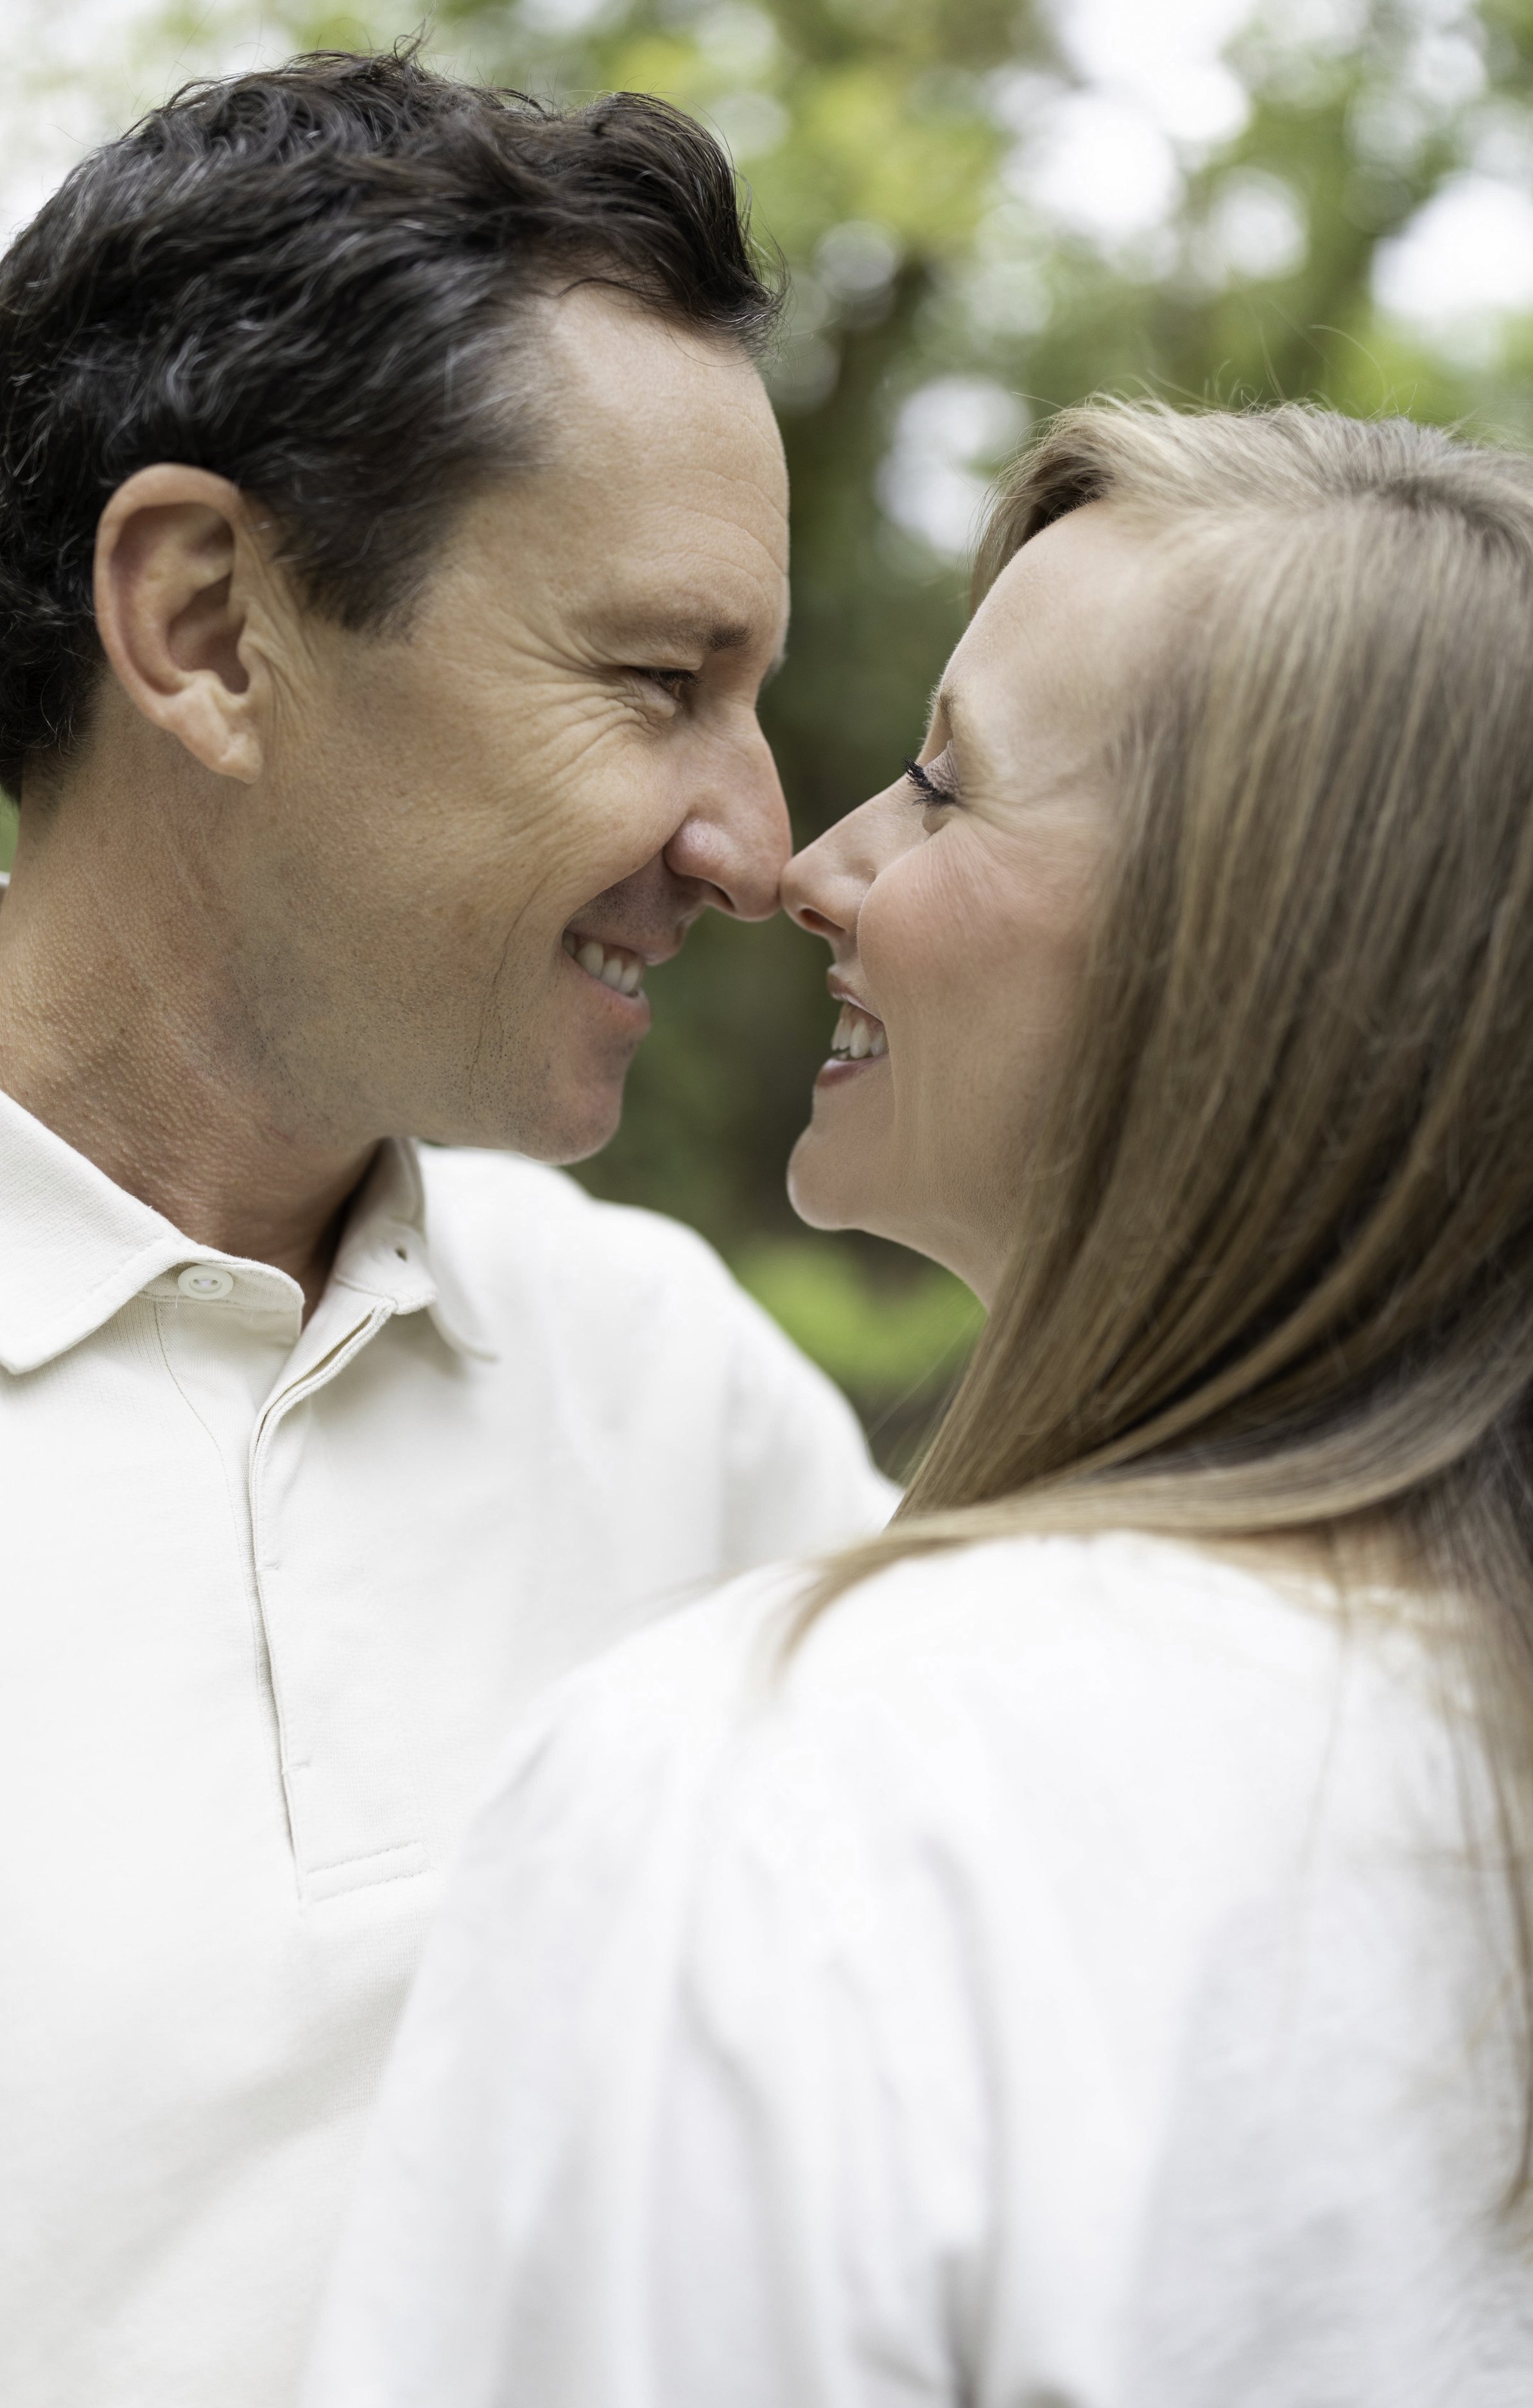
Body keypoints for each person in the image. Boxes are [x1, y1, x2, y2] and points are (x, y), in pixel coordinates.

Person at [309, 398, 1533, 2406]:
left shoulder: (799, 1797)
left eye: (941, 782)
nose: (808, 865)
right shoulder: (1527, 1765)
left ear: (1241, 949)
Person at [0, 48, 893, 2408]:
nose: (757, 844)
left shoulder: (676, 1390)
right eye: (652, 680)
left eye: (758, 700)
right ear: (203, 626)